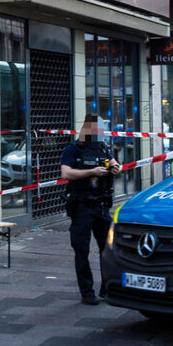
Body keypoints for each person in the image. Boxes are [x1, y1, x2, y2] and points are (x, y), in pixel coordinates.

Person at [60, 114, 121, 305]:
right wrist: (91, 172)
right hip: (81, 206)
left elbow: (114, 163)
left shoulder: (102, 148)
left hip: (101, 206)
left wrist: (116, 167)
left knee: (107, 249)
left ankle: (107, 289)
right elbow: (66, 173)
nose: (99, 133)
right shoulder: (73, 149)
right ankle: (87, 292)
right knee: (82, 250)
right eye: (96, 129)